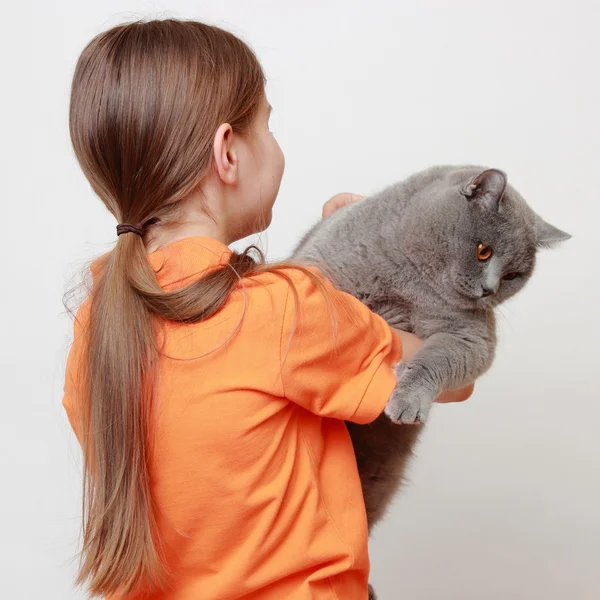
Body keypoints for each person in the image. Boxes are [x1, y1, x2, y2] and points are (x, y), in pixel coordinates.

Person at [62, 18, 474, 600]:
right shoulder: (285, 310)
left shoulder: (95, 323)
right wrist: (369, 259)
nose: (276, 148)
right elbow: (448, 377)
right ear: (227, 152)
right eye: (268, 126)